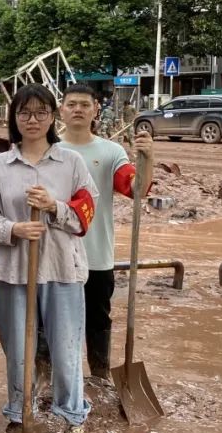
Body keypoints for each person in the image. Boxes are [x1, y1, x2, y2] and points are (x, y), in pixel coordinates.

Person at [0, 83, 98, 433]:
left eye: (41, 112)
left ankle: (73, 420)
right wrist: (14, 229)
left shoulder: (71, 163)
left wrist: (54, 207)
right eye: (24, 112)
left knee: (66, 349)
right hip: (13, 271)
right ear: (14, 117)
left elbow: (86, 214)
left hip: (61, 268)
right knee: (18, 349)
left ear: (52, 117)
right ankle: (19, 414)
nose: (33, 120)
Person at [59, 83, 154, 383]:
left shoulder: (111, 151)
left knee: (98, 321)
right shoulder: (49, 149)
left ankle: (99, 377)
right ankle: (55, 381)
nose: (78, 109)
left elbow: (137, 190)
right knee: (53, 323)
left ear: (95, 110)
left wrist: (148, 159)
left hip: (97, 256)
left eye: (84, 105)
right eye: (72, 104)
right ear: (61, 110)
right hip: (56, 256)